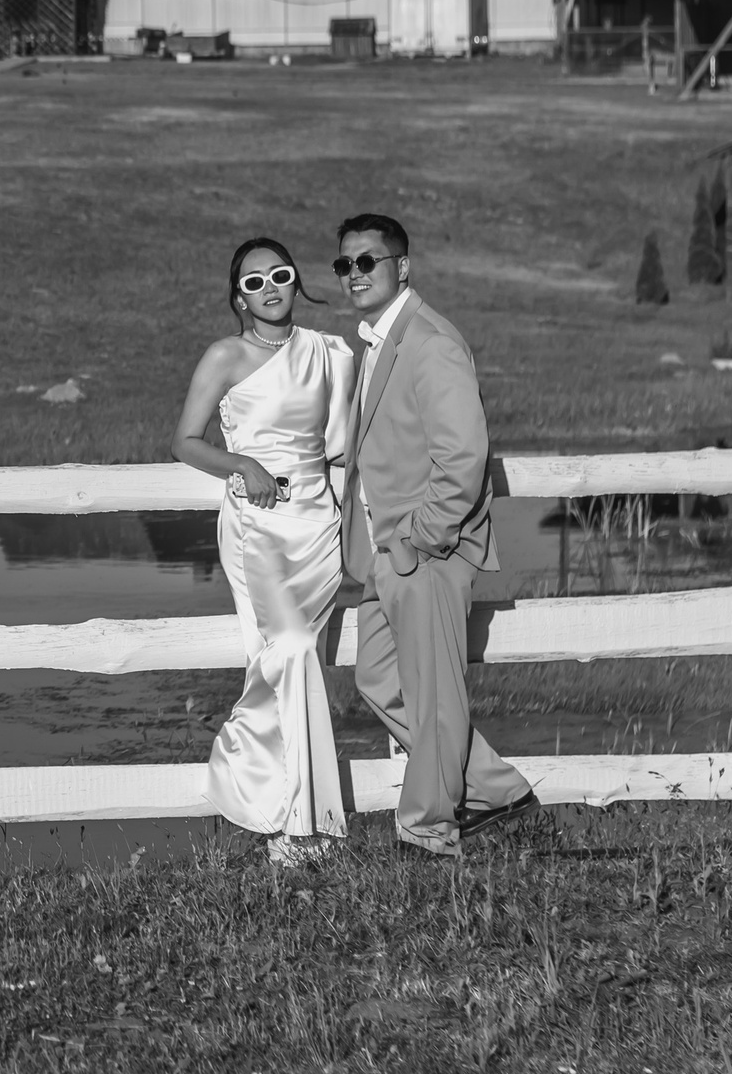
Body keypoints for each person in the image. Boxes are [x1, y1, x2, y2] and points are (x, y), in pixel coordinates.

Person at [333, 213, 537, 859]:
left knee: (435, 697)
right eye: (345, 264)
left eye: (368, 260)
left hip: (426, 550)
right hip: (386, 553)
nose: (355, 273)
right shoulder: (378, 343)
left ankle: (428, 827)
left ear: (403, 267)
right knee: (377, 678)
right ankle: (495, 789)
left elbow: (463, 456)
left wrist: (418, 538)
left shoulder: (430, 341)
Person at [172, 237, 356, 863]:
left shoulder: (329, 352)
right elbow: (185, 441)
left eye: (279, 275)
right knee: (294, 648)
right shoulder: (225, 355)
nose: (269, 288)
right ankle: (301, 827)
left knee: (285, 663)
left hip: (318, 527)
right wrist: (241, 463)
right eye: (253, 282)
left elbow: (341, 447)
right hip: (258, 526)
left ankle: (284, 820)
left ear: (295, 280)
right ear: (238, 299)